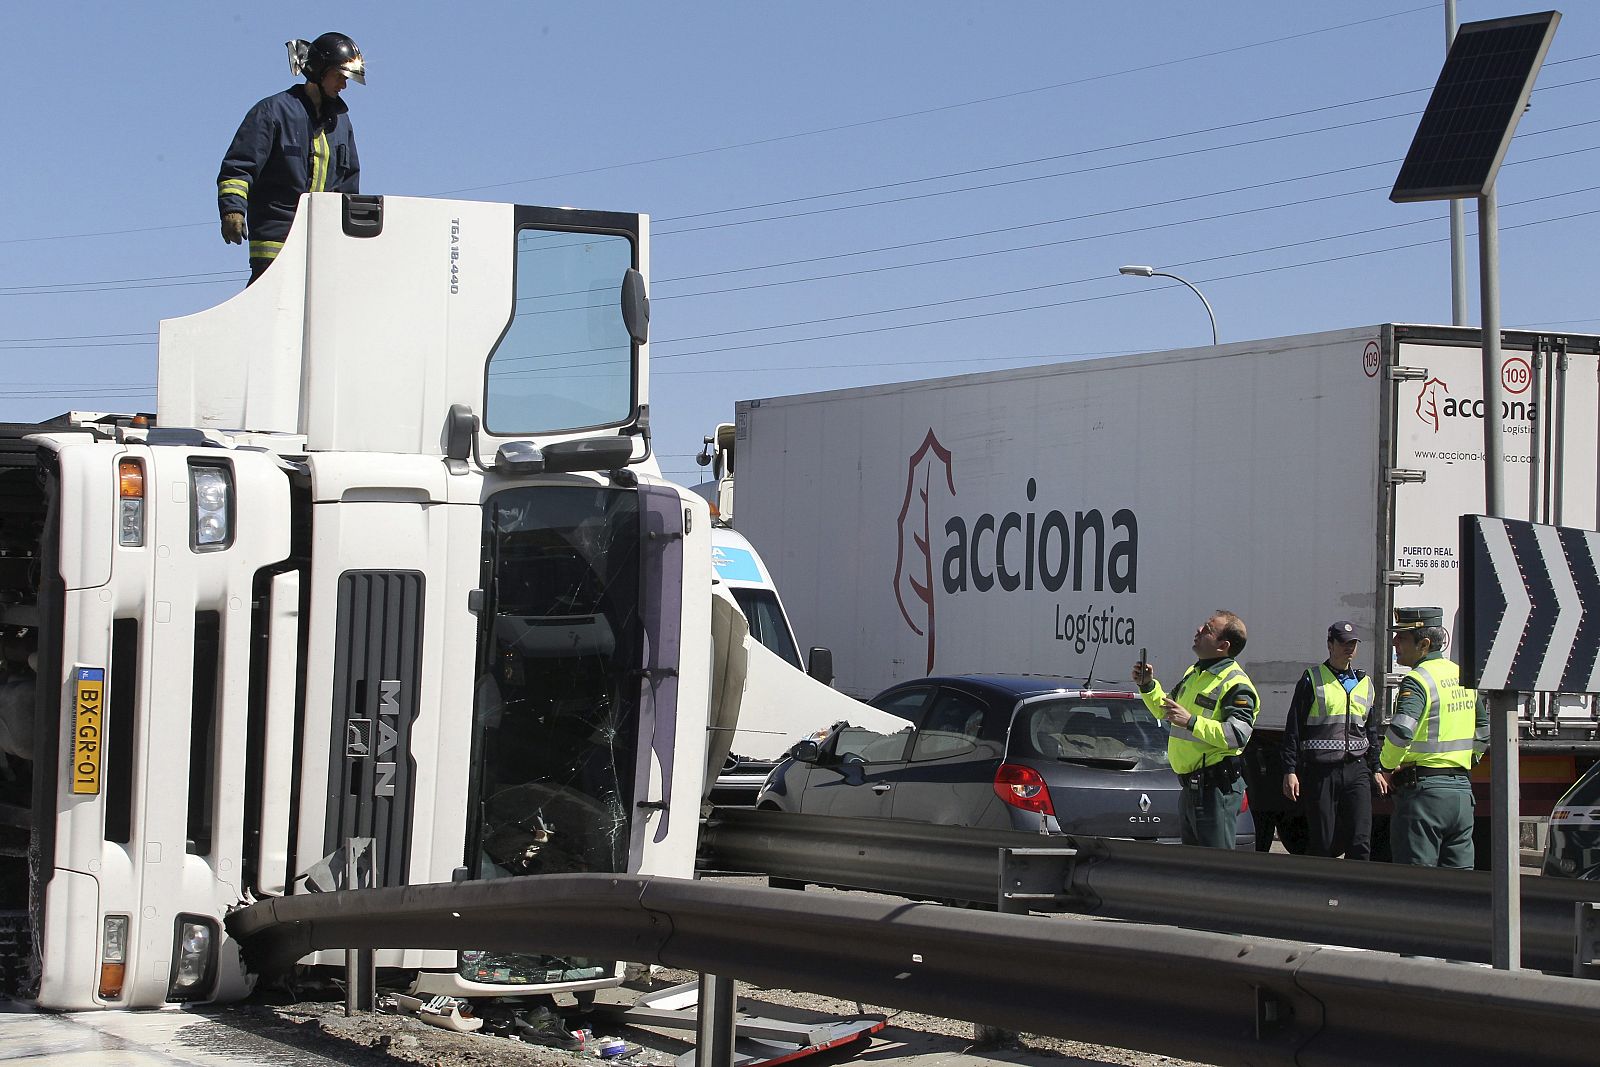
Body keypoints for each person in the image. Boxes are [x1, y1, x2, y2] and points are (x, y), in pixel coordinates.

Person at [217, 33, 365, 283]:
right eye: (339, 76)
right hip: (275, 241)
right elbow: (239, 167)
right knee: (269, 315)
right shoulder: (272, 111)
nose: (344, 85)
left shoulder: (341, 123)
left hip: (321, 244)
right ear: (319, 70)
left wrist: (350, 237)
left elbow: (348, 185)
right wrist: (232, 209)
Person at [1132, 611, 1259, 848]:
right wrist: (1148, 686)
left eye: (1208, 629)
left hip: (1216, 789)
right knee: (1193, 867)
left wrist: (1191, 721)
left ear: (1223, 645)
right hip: (1193, 788)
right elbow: (1167, 711)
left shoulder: (1236, 684)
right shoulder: (1195, 673)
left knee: (1216, 869)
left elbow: (1237, 736)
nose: (1198, 630)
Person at [1376, 606, 1488, 869]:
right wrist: (1467, 759)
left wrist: (1386, 767)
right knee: (1458, 886)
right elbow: (1483, 729)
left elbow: (1402, 730)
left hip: (1424, 797)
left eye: (1401, 638)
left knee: (1418, 885)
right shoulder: (1464, 676)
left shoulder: (1418, 680)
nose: (1395, 642)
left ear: (1424, 644)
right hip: (1461, 795)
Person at [1280, 620, 1383, 859]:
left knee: (1360, 840)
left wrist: (1376, 767)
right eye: (1344, 643)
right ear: (1330, 645)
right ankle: (1322, 891)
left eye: (1353, 643)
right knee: (1324, 841)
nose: (1349, 648)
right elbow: (1294, 727)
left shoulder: (1364, 683)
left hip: (1357, 769)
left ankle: (1357, 892)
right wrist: (1290, 770)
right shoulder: (1312, 679)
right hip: (1321, 770)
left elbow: (1371, 729)